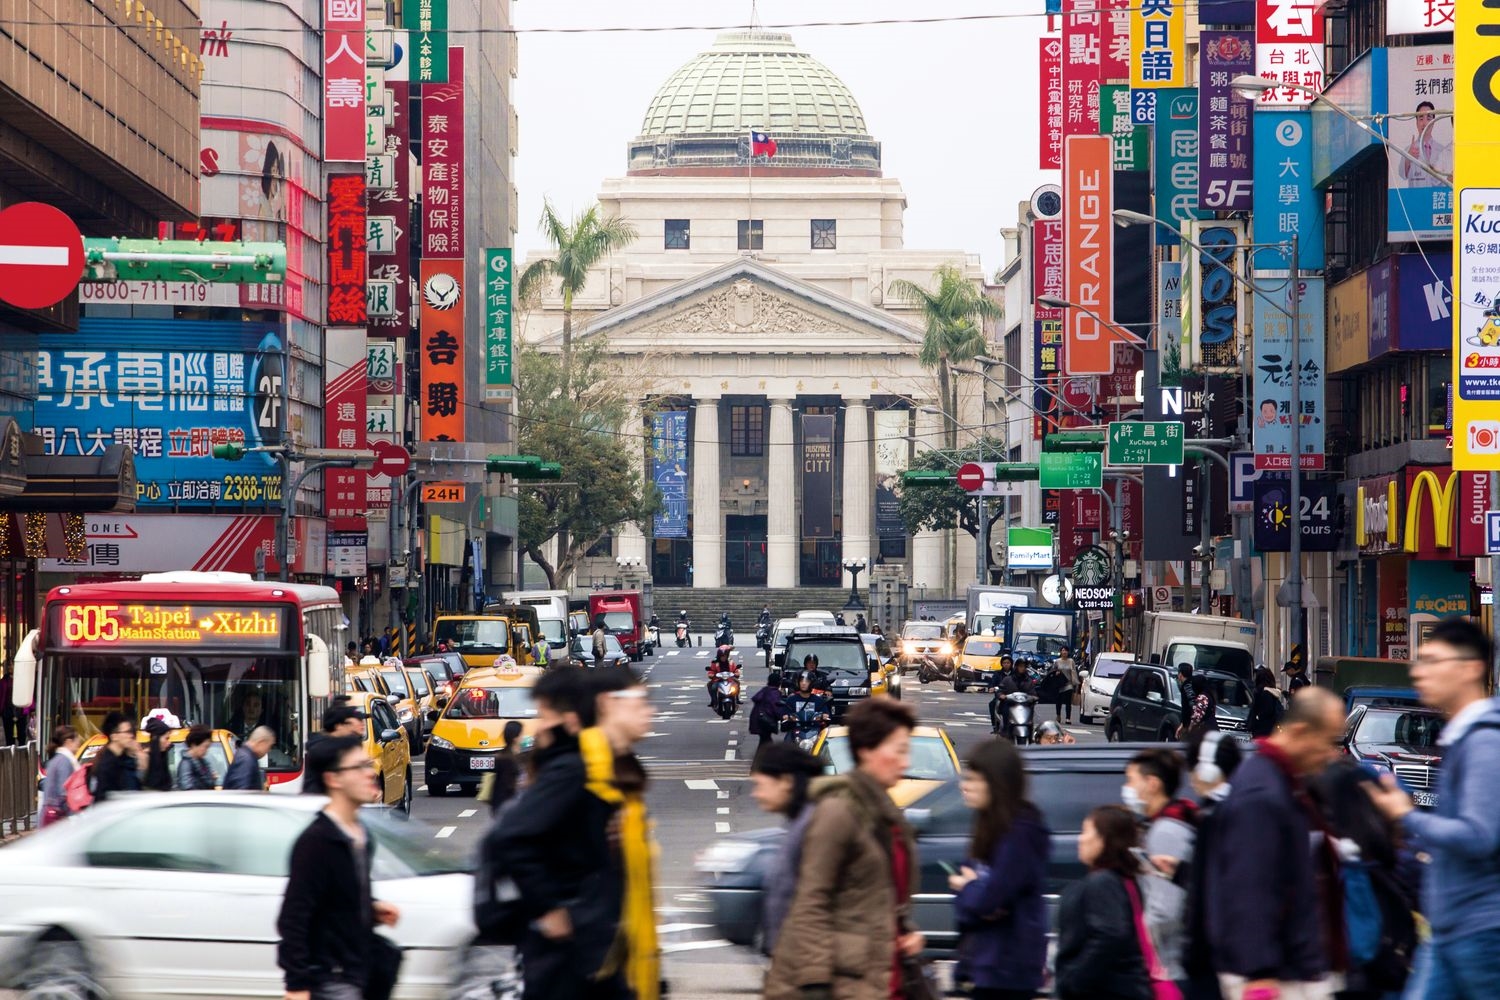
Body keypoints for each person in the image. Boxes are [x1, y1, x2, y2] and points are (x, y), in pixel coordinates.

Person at [1366, 616, 1500, 998]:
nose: (1419, 672)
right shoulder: (1461, 737)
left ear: (1471, 668)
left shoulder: (1485, 743)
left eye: (1432, 661)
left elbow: (1478, 836)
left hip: (1481, 930)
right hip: (1450, 928)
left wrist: (1406, 817)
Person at [764, 698, 923, 1000]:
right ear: (866, 750)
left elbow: (877, 896)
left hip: (882, 977)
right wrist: (815, 984)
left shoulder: (888, 814)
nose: (906, 762)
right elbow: (811, 901)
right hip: (846, 984)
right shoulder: (838, 811)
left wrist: (905, 931)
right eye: (899, 750)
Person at [490, 668, 627, 1000]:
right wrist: (549, 908)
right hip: (570, 947)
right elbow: (510, 836)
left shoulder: (591, 765)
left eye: (543, 714)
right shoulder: (569, 769)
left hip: (591, 941)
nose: (541, 725)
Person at [1206, 687, 1348, 1000]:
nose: (1331, 754)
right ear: (1300, 732)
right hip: (1275, 978)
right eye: (1328, 741)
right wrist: (1259, 974)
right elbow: (1250, 888)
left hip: (1294, 968)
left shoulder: (1288, 782)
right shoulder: (1262, 793)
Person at [277, 734, 401, 1000]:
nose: (370, 774)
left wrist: (370, 906)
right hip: (332, 979)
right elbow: (293, 919)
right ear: (333, 779)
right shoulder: (317, 842)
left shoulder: (361, 834)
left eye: (367, 764)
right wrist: (296, 986)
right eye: (359, 767)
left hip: (360, 972)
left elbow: (337, 897)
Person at [949, 739, 1051, 999]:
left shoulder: (1021, 832)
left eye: (973, 779)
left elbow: (987, 898)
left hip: (1008, 971)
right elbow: (968, 907)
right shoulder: (987, 826)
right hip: (984, 965)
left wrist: (970, 887)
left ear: (995, 782)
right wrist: (975, 893)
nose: (964, 787)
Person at [1054, 805, 1154, 1000]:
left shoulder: (1103, 882)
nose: (1080, 839)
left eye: (1086, 831)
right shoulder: (1123, 881)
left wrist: (1075, 979)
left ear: (1104, 840)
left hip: (1104, 990)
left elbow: (1111, 933)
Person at [1124, 747, 1197, 988]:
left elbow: (1164, 909)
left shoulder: (1167, 832)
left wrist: (1140, 946)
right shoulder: (1167, 823)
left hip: (1170, 966)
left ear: (1152, 784)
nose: (1128, 789)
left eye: (1131, 780)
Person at [1180, 730, 1244, 1000]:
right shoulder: (1239, 810)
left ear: (1206, 770)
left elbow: (1206, 889)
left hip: (1210, 957)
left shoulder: (1212, 818)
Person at [751, 743, 824, 955]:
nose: (755, 794)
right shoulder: (800, 822)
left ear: (786, 782)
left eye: (760, 785)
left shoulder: (812, 826)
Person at [91, 710, 143, 802]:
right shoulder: (107, 764)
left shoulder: (121, 759)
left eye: (130, 731)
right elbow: (103, 799)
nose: (131, 736)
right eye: (127, 732)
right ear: (114, 736)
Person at [1399, 101, 1452, 187]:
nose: (1424, 123)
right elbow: (1402, 175)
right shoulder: (1408, 150)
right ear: (1416, 122)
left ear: (1434, 121)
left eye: (1428, 118)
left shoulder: (1443, 150)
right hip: (1416, 198)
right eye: (1421, 119)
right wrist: (1408, 158)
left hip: (1436, 198)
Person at [480, 720, 526, 817]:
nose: (523, 737)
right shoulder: (508, 759)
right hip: (508, 806)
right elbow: (508, 785)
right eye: (521, 734)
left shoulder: (503, 756)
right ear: (515, 738)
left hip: (501, 805)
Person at [40, 725, 81, 825]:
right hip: (58, 818)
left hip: (52, 815)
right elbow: (64, 791)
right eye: (77, 741)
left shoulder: (57, 759)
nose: (79, 745)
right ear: (68, 742)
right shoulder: (64, 761)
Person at [224, 725, 275, 790]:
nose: (269, 750)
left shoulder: (247, 756)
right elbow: (242, 793)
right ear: (261, 742)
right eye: (269, 746)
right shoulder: (246, 760)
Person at [749, 671, 786, 749]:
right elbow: (775, 707)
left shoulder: (765, 690)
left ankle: (761, 759)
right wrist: (783, 716)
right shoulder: (774, 693)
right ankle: (762, 759)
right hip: (766, 721)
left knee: (764, 741)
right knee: (767, 743)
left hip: (757, 719)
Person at [176, 724, 218, 791]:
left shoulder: (202, 762)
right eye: (205, 746)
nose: (206, 751)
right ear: (194, 744)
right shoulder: (186, 764)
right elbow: (187, 788)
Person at [1249, 666, 1285, 738]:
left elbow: (1264, 712)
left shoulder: (1263, 694)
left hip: (1262, 732)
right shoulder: (1273, 694)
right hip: (1271, 731)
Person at [142, 716, 174, 792]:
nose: (169, 743)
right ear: (155, 738)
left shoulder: (162, 758)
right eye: (166, 738)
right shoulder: (144, 759)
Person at [1054, 647, 1080, 724]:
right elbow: (1053, 671)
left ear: (1068, 652)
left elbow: (1074, 671)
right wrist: (1056, 673)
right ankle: (1058, 715)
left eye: (1066, 650)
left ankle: (1068, 718)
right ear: (1060, 652)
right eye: (1063, 650)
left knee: (1068, 702)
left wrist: (1075, 683)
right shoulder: (1057, 661)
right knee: (1059, 701)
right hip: (1060, 684)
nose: (1064, 652)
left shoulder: (1071, 661)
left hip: (1069, 684)